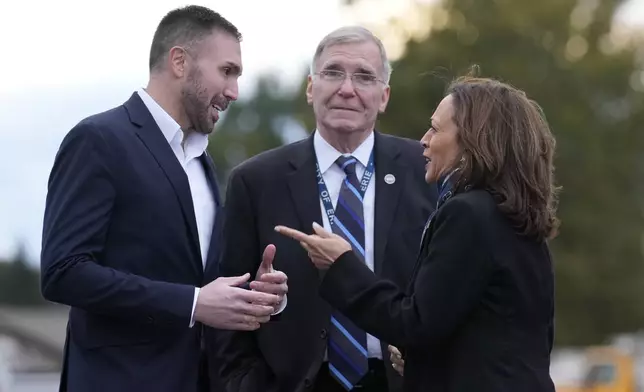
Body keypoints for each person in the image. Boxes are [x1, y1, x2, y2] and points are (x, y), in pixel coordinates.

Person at [39, 5, 287, 392]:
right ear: (179, 61)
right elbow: (63, 272)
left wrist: (253, 292)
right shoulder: (98, 140)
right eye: (227, 71)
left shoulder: (202, 161)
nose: (234, 92)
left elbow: (194, 277)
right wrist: (192, 304)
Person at [276, 75, 559, 392]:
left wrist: (342, 264)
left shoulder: (468, 214)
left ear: (474, 140)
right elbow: (496, 334)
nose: (423, 139)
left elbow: (414, 323)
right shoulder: (515, 217)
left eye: (436, 129)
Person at [210, 26, 438, 392]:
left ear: (384, 96)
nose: (347, 88)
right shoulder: (255, 181)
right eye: (333, 73)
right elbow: (226, 307)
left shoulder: (427, 171)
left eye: (364, 77)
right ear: (310, 88)